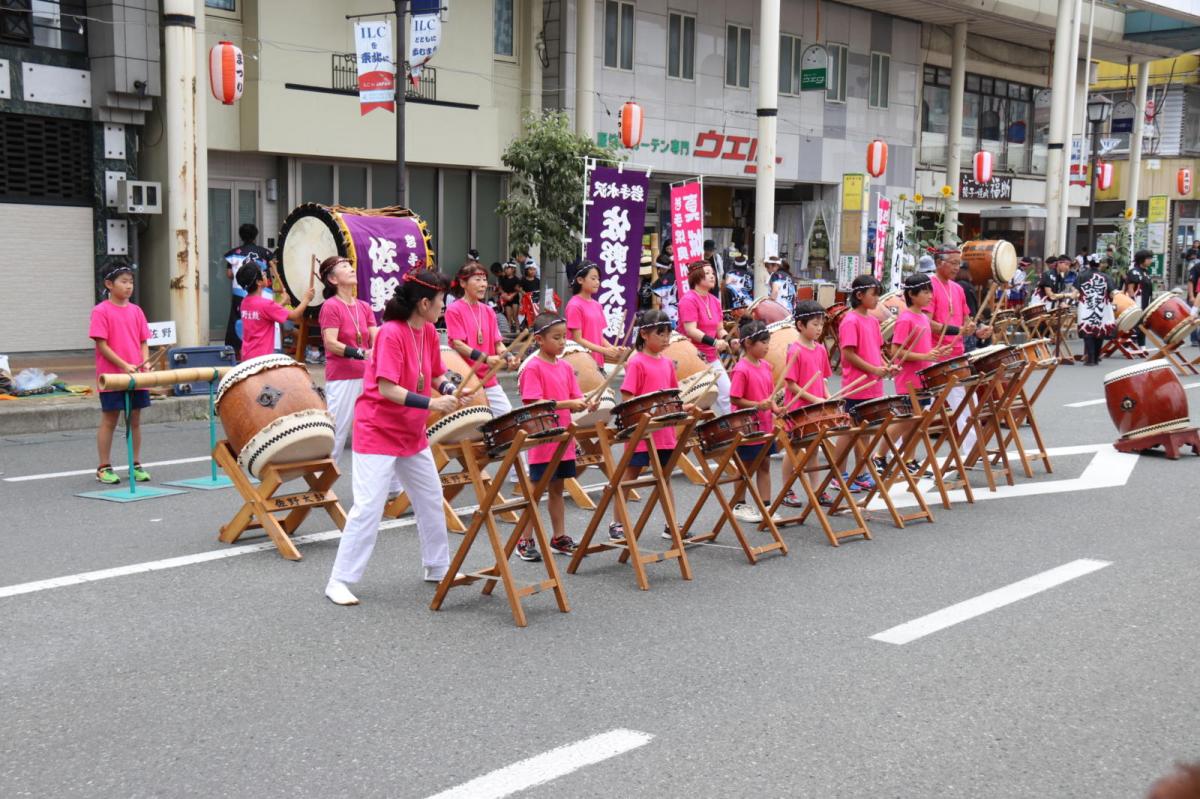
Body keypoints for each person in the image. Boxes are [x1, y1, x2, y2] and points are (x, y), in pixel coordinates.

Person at [324, 270, 471, 606]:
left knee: (431, 498)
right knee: (368, 507)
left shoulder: (430, 331)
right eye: (440, 302)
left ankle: (437, 566)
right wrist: (434, 402)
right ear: (423, 303)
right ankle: (339, 580)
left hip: (411, 431)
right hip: (378, 429)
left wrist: (449, 390)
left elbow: (435, 373)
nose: (443, 308)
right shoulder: (391, 333)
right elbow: (388, 388)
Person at [516, 312, 596, 560]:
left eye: (564, 337)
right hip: (542, 438)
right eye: (556, 337)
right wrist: (569, 403)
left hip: (563, 436)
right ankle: (524, 539)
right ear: (539, 339)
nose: (562, 342)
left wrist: (586, 403)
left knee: (557, 490)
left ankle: (559, 537)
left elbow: (576, 397)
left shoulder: (565, 366)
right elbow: (534, 403)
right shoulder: (532, 367)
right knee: (535, 491)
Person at [608, 309, 690, 543]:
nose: (666, 338)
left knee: (664, 478)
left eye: (668, 333)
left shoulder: (666, 363)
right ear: (644, 334)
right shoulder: (636, 362)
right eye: (660, 333)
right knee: (629, 476)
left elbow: (673, 396)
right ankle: (617, 522)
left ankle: (670, 523)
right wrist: (642, 420)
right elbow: (628, 399)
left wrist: (683, 409)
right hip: (642, 432)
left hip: (664, 432)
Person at [89, 262, 152, 485]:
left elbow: (144, 341)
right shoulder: (100, 311)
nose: (129, 286)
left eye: (131, 282)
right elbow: (102, 346)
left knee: (135, 420)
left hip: (136, 375)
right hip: (112, 375)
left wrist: (144, 363)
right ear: (109, 284)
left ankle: (135, 464)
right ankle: (103, 466)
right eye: (123, 282)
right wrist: (125, 365)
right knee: (110, 419)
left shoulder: (136, 311)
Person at [927, 244, 990, 455]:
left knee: (966, 405)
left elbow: (966, 318)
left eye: (958, 263)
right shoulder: (929, 287)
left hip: (956, 355)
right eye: (952, 263)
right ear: (938, 263)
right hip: (933, 355)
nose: (956, 267)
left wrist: (976, 329)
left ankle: (972, 452)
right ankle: (892, 452)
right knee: (921, 409)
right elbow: (927, 322)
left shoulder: (958, 289)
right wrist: (958, 330)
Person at [839, 275, 899, 491]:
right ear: (859, 295)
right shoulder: (850, 320)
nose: (877, 299)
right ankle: (840, 473)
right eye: (874, 295)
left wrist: (886, 366)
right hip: (856, 385)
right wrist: (874, 369)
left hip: (873, 385)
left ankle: (861, 473)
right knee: (849, 432)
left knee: (865, 433)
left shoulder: (873, 321)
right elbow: (848, 354)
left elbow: (877, 350)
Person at [317, 256, 378, 464]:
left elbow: (375, 337)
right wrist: (362, 353)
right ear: (333, 280)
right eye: (344, 267)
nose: (351, 269)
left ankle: (388, 487)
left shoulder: (363, 306)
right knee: (337, 432)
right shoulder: (331, 306)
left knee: (375, 430)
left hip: (367, 375)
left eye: (350, 265)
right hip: (343, 377)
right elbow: (330, 343)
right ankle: (321, 483)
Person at [727, 319, 784, 523]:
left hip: (765, 424)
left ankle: (766, 506)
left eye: (768, 342)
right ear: (748, 344)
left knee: (765, 465)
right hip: (747, 425)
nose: (767, 346)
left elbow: (769, 395)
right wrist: (756, 405)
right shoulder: (742, 369)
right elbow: (735, 398)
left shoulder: (766, 366)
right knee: (745, 466)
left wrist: (777, 409)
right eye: (763, 343)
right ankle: (739, 504)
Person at [445, 261, 518, 418]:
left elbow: (497, 343)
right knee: (472, 424)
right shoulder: (454, 309)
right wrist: (485, 358)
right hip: (465, 379)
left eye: (484, 279)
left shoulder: (488, 311)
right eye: (477, 280)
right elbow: (457, 343)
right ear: (463, 283)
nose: (483, 284)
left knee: (506, 417)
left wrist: (510, 357)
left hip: (488, 378)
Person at [780, 300, 833, 508]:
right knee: (793, 449)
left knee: (814, 448)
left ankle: (817, 489)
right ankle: (786, 489)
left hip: (816, 407)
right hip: (798, 408)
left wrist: (827, 397)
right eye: (815, 324)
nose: (819, 328)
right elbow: (790, 384)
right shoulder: (795, 350)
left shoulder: (820, 349)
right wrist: (813, 399)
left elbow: (823, 378)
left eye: (821, 324)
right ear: (800, 325)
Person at [679, 261, 734, 416]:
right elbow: (690, 330)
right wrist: (715, 342)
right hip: (692, 357)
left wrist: (728, 341)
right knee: (692, 401)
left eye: (712, 273)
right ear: (697, 277)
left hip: (711, 356)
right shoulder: (688, 300)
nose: (712, 276)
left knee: (727, 394)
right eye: (708, 273)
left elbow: (720, 329)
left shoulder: (715, 301)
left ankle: (732, 430)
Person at [236, 262, 313, 361]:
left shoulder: (245, 302)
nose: (265, 275)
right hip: (262, 358)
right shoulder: (266, 304)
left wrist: (283, 302)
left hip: (247, 355)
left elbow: (265, 314)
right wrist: (307, 299)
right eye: (263, 273)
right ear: (258, 282)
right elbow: (294, 315)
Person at [223, 224, 274, 358]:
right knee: (263, 321)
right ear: (255, 235)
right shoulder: (265, 252)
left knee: (237, 319)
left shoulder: (234, 253)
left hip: (241, 292)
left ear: (241, 236)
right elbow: (272, 270)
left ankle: (236, 351)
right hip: (262, 292)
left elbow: (229, 274)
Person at [566, 260, 624, 367]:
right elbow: (577, 339)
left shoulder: (597, 305)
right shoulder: (574, 305)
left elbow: (599, 336)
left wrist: (611, 348)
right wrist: (604, 350)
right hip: (581, 364)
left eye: (598, 279)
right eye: (593, 278)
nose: (597, 282)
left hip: (597, 362)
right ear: (580, 280)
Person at [1076, 255, 1115, 365]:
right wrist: (1110, 299)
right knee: (1100, 330)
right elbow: (1112, 293)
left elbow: (1075, 292)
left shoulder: (1081, 276)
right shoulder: (1106, 277)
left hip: (1086, 307)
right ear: (1099, 264)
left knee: (1087, 330)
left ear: (1089, 263)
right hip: (1102, 307)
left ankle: (1091, 358)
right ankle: (1097, 357)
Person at [1124, 249, 1155, 347]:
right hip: (1137, 301)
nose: (1151, 260)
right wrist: (1133, 303)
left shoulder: (1145, 272)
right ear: (1142, 259)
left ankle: (1142, 346)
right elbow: (1130, 288)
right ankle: (1128, 345)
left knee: (1143, 323)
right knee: (1134, 324)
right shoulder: (1134, 272)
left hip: (1145, 301)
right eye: (1149, 258)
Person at [650, 249, 679, 325]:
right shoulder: (679, 275)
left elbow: (658, 301)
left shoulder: (661, 281)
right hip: (681, 311)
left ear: (661, 268)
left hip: (668, 312)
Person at [497, 260, 521, 331]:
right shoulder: (503, 279)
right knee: (508, 316)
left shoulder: (516, 279)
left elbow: (517, 290)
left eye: (508, 268)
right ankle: (509, 330)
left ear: (513, 269)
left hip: (514, 299)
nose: (506, 270)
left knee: (515, 315)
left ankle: (518, 330)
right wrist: (504, 294)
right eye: (505, 269)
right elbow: (500, 288)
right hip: (506, 299)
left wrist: (511, 296)